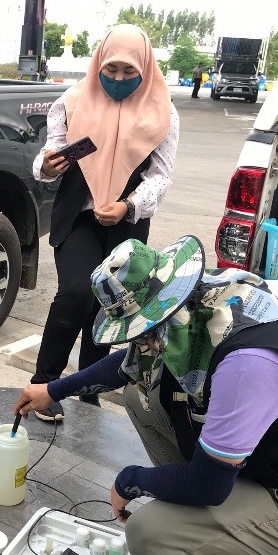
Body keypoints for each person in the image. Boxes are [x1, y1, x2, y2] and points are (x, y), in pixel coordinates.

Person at [14, 236, 278, 555]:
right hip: (259, 465)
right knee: (140, 394)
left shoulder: (248, 365)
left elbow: (209, 485)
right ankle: (204, 523)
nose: (138, 341)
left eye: (142, 330)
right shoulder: (195, 306)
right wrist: (53, 390)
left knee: (148, 539)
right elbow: (131, 364)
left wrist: (131, 481)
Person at [30, 25, 179, 422]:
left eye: (129, 72)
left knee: (107, 307)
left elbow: (161, 177)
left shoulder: (163, 112)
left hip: (126, 224)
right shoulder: (71, 102)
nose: (117, 79)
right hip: (78, 217)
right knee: (77, 292)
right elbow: (48, 156)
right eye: (110, 69)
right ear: (98, 63)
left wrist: (128, 205)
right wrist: (47, 165)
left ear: (145, 69)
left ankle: (87, 389)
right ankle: (44, 384)